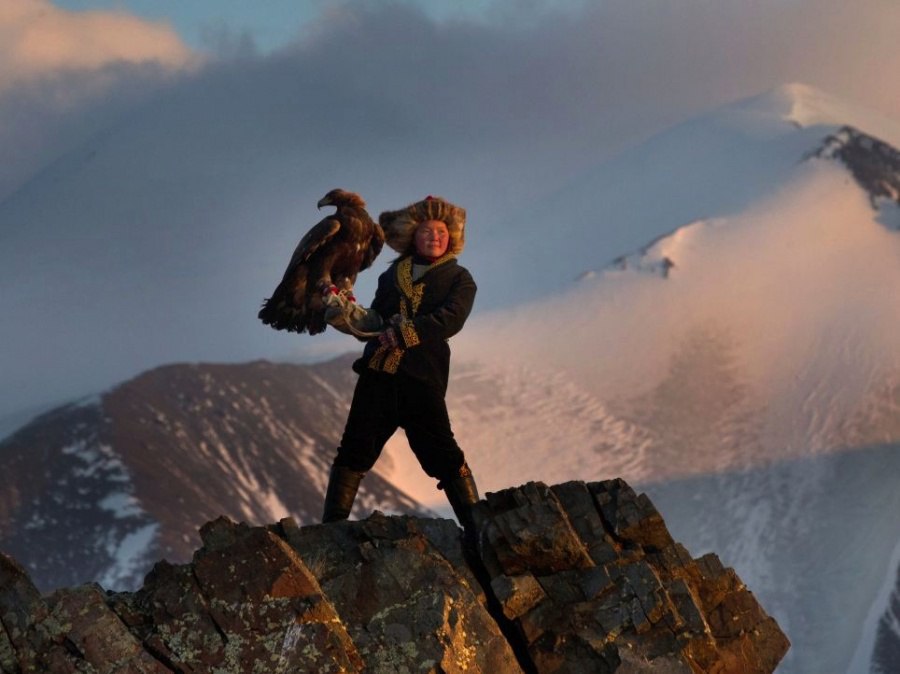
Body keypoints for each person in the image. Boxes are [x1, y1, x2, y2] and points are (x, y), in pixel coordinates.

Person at [320, 195, 480, 537]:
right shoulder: (391, 276)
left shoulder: (460, 279)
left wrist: (407, 333)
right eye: (426, 232)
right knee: (353, 451)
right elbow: (375, 320)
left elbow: (450, 320)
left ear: (451, 237)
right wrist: (346, 315)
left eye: (440, 231)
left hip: (422, 378)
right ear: (413, 237)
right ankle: (329, 532)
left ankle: (478, 527)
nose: (434, 237)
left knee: (443, 453)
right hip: (378, 374)